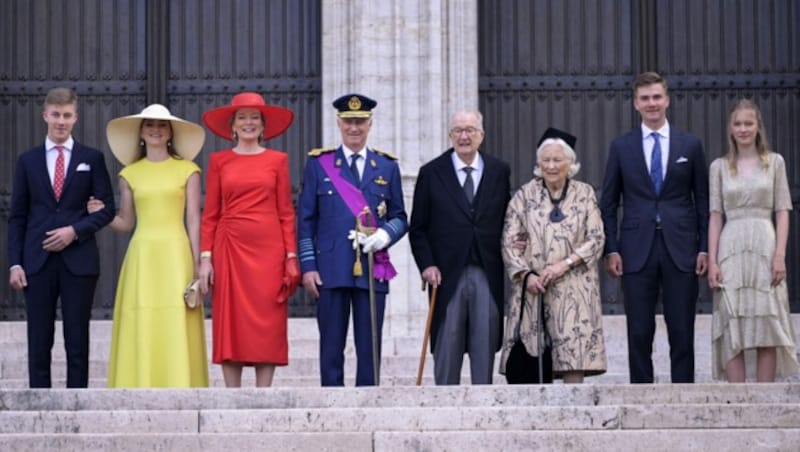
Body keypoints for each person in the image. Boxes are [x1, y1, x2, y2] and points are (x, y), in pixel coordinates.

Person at [88, 104, 209, 387]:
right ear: (141, 132)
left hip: (176, 254)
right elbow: (126, 222)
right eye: (150, 125)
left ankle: (181, 383)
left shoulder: (189, 170)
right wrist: (101, 216)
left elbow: (193, 219)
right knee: (142, 318)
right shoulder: (129, 174)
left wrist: (198, 263)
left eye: (162, 125)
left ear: (171, 133)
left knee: (176, 319)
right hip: (142, 254)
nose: (156, 129)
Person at [600, 71, 709, 383]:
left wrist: (703, 247)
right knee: (638, 329)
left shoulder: (690, 145)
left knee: (681, 327)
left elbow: (702, 200)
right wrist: (612, 248)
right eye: (645, 98)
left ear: (667, 100)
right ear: (636, 103)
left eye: (657, 97)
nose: (652, 104)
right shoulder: (621, 146)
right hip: (635, 250)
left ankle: (685, 396)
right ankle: (641, 394)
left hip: (681, 248)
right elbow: (608, 203)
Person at [7, 87, 115, 388]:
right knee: (39, 338)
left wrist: (74, 231)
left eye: (67, 115)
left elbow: (107, 210)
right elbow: (17, 217)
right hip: (36, 262)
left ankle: (76, 402)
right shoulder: (26, 161)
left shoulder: (91, 158)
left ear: (75, 118)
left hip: (78, 262)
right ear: (45, 116)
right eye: (55, 114)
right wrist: (15, 263)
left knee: (76, 338)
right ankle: (38, 402)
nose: (61, 121)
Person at [298, 93, 408, 386]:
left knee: (369, 345)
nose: (354, 128)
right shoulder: (320, 165)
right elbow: (306, 219)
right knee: (331, 346)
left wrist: (386, 234)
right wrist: (308, 266)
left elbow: (400, 216)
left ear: (370, 123)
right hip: (330, 268)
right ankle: (332, 402)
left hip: (373, 267)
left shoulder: (386, 167)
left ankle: (369, 401)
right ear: (339, 123)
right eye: (348, 121)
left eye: (360, 121)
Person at [198, 92, 300, 388]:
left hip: (269, 253)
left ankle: (264, 395)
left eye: (255, 117)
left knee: (268, 320)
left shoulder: (278, 160)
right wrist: (206, 259)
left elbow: (285, 212)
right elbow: (211, 214)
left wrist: (291, 256)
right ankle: (232, 397)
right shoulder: (219, 161)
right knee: (232, 321)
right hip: (229, 249)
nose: (248, 123)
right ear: (232, 124)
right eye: (242, 117)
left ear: (263, 124)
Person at [409, 110, 510, 385]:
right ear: (450, 135)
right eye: (458, 130)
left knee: (485, 341)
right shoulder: (431, 173)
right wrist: (427, 264)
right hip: (445, 273)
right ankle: (443, 407)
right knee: (447, 344)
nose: (464, 136)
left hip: (487, 270)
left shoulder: (499, 171)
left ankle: (483, 405)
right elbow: (417, 228)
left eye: (470, 130)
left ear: (481, 135)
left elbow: (508, 219)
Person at [500, 128, 606, 383]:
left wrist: (565, 264)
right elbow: (509, 241)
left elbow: (596, 237)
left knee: (573, 358)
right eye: (545, 160)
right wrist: (526, 275)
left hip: (575, 289)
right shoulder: (524, 196)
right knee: (533, 360)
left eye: (557, 160)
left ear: (570, 163)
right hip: (535, 290)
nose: (551, 165)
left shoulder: (585, 193)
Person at [707, 99, 799, 382]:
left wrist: (780, 254)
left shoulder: (775, 163)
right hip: (730, 246)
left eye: (748, 123)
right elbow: (715, 215)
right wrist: (712, 261)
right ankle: (737, 399)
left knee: (766, 319)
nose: (743, 129)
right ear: (730, 129)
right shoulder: (719, 166)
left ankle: (764, 397)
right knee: (731, 317)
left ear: (758, 126)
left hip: (764, 243)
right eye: (738, 124)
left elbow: (782, 210)